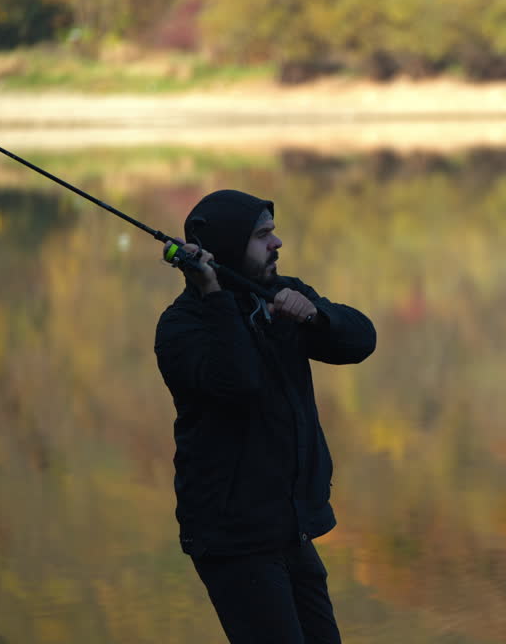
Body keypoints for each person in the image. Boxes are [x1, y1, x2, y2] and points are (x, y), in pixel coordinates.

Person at [154, 189, 376, 644]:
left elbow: (362, 340)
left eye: (272, 234)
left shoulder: (279, 294)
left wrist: (315, 316)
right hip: (233, 537)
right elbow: (240, 383)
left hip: (289, 527)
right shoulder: (181, 328)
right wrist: (215, 295)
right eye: (262, 236)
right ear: (229, 248)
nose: (276, 244)